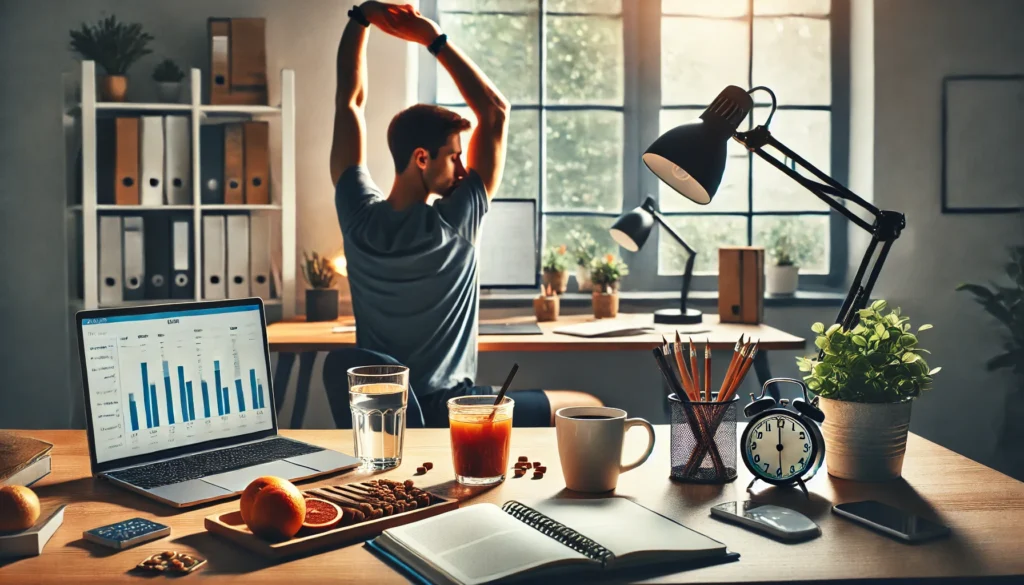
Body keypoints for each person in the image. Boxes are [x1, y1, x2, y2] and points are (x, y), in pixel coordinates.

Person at [328, 2, 601, 427]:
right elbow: (495, 111)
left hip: (384, 417)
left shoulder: (358, 218)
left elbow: (349, 102)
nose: (461, 168)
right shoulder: (455, 221)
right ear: (422, 158)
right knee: (587, 404)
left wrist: (361, 18)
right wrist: (431, 38)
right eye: (454, 156)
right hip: (454, 410)